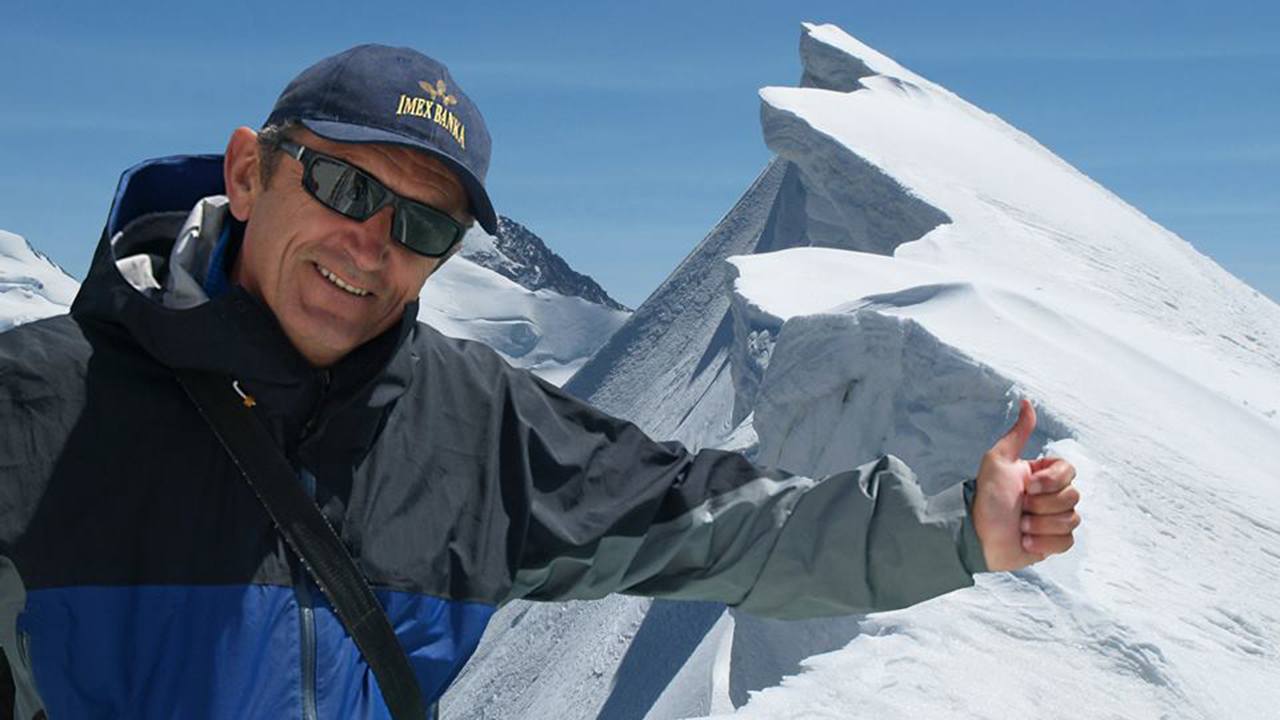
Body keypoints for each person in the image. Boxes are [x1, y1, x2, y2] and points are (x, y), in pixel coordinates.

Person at [0, 44, 1080, 718]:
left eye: (421, 226)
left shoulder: (470, 426)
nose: (371, 246)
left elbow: (708, 525)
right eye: (343, 184)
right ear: (249, 173)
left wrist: (953, 530)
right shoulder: (35, 405)